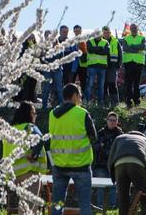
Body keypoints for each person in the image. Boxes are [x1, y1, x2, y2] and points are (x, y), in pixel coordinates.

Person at [49, 83, 97, 215]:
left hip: (59, 166)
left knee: (57, 204)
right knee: (85, 204)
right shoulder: (82, 113)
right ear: (74, 96)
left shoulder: (52, 114)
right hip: (81, 165)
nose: (81, 98)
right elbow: (94, 137)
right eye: (80, 95)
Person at [2, 101, 47, 215]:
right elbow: (40, 139)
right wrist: (34, 155)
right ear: (28, 114)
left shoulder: (9, 130)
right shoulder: (29, 127)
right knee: (29, 209)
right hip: (28, 173)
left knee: (21, 207)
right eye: (34, 113)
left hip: (13, 175)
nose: (35, 115)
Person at [108, 131, 146, 215]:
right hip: (138, 163)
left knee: (122, 199)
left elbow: (110, 162)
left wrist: (115, 175)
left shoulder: (119, 138)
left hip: (118, 165)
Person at [92, 112, 123, 208]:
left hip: (114, 164)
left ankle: (112, 206)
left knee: (113, 186)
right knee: (101, 186)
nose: (112, 122)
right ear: (107, 121)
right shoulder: (100, 133)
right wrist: (101, 146)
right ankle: (100, 206)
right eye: (111, 120)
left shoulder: (120, 134)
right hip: (101, 164)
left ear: (117, 122)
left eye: (114, 120)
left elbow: (122, 148)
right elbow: (94, 147)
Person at [122, 24, 146, 107]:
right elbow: (125, 48)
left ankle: (137, 101)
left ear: (137, 29)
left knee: (137, 83)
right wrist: (136, 49)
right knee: (128, 83)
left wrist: (131, 47)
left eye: (135, 28)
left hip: (138, 63)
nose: (133, 30)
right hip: (128, 63)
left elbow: (143, 46)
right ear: (130, 29)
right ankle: (128, 101)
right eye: (132, 28)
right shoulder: (125, 38)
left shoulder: (142, 38)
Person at [85, 34, 109, 106]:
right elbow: (90, 50)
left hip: (102, 66)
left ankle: (100, 103)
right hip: (92, 65)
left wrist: (95, 49)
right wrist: (101, 48)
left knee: (101, 86)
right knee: (90, 85)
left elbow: (106, 52)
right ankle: (88, 102)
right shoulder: (89, 41)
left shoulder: (106, 42)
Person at [42, 30, 64, 110]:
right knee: (46, 89)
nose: (49, 37)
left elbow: (62, 58)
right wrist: (49, 65)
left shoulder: (59, 47)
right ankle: (44, 107)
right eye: (47, 35)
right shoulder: (43, 47)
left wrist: (57, 65)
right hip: (47, 70)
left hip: (57, 70)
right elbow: (42, 58)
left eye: (50, 35)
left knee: (59, 88)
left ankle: (61, 107)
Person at [102, 26, 122, 106]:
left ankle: (115, 103)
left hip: (113, 67)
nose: (106, 34)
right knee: (104, 85)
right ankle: (105, 103)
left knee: (112, 85)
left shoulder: (115, 42)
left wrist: (118, 66)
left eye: (107, 32)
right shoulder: (100, 41)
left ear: (110, 33)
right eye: (104, 32)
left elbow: (120, 55)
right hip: (103, 67)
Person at [20, 34, 38, 102]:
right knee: (26, 86)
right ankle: (25, 101)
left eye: (32, 38)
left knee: (32, 86)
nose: (31, 39)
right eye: (30, 38)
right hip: (25, 69)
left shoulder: (36, 46)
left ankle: (32, 100)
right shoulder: (23, 46)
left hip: (34, 69)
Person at [71, 25, 88, 93]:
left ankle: (83, 99)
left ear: (81, 31)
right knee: (72, 82)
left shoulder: (85, 40)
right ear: (74, 31)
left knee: (83, 82)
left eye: (78, 31)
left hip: (83, 64)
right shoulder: (71, 41)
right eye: (76, 31)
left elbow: (87, 51)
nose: (77, 32)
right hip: (74, 65)